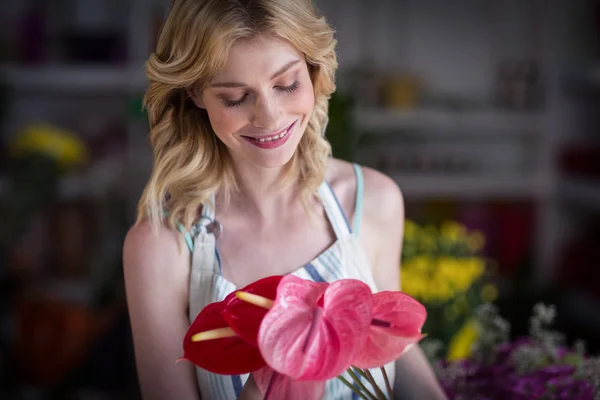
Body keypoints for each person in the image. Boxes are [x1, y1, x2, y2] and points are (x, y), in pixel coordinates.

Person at [123, 0, 448, 399]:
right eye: (235, 97)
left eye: (286, 84)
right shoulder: (162, 245)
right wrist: (278, 370)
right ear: (196, 93)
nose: (270, 117)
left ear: (314, 71)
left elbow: (390, 346)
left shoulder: (372, 201)